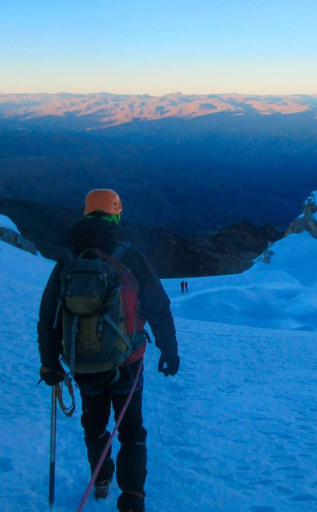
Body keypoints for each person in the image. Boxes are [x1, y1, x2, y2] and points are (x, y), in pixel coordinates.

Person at [37, 189, 180, 512]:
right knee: (131, 430)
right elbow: (158, 308)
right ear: (116, 215)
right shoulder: (130, 257)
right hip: (128, 362)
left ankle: (101, 479)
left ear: (86, 215)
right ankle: (132, 497)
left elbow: (48, 316)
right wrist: (169, 351)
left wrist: (49, 364)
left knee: (95, 424)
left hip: (84, 365)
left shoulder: (68, 261)